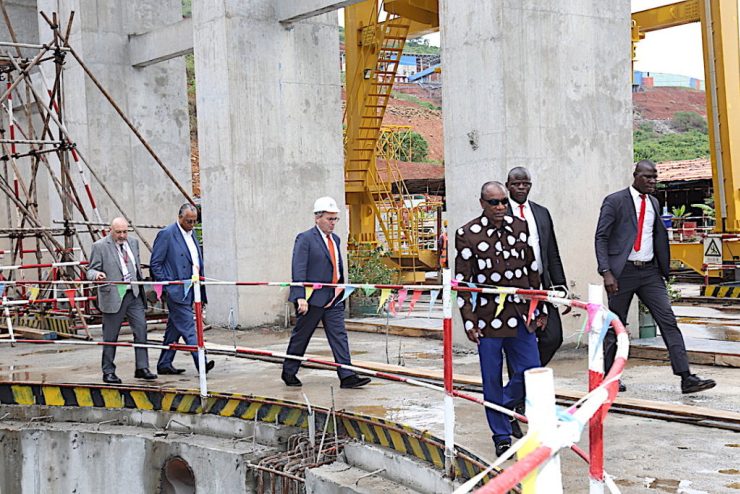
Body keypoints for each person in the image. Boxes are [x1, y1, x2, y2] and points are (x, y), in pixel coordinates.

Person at [595, 160, 715, 394]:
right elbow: (601, 237)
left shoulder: (654, 202)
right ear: (636, 176)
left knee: (668, 321)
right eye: (648, 177)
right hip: (623, 272)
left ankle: (686, 377)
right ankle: (609, 378)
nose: (652, 181)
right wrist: (606, 271)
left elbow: (656, 235)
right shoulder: (615, 201)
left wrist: (663, 268)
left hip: (649, 272)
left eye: (655, 177)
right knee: (615, 325)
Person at [455, 181, 544, 457]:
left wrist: (538, 308)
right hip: (487, 320)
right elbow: (462, 283)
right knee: (491, 378)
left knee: (531, 371)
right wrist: (469, 322)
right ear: (482, 203)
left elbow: (532, 271)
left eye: (503, 201)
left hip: (520, 316)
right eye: (494, 202)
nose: (500, 207)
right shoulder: (467, 234)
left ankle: (502, 407)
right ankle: (501, 435)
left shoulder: (519, 226)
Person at [281, 196, 371, 389]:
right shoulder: (305, 239)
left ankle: (347, 375)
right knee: (302, 336)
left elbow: (337, 267)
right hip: (312, 299)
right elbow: (298, 269)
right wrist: (300, 297)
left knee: (339, 335)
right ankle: (289, 371)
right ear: (317, 218)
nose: (333, 223)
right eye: (330, 219)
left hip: (334, 298)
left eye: (335, 219)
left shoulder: (335, 240)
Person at [506, 166, 567, 366]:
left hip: (542, 284)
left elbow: (552, 252)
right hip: (512, 287)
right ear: (508, 186)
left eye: (525, 184)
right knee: (519, 341)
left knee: (553, 336)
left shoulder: (541, 213)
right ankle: (521, 386)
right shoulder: (499, 213)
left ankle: (528, 376)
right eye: (516, 184)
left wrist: (561, 287)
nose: (521, 188)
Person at [87, 217, 156, 383]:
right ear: (111, 230)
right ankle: (108, 371)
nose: (122, 235)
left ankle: (142, 367)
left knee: (141, 329)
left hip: (134, 294)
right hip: (113, 295)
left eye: (125, 231)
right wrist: (97, 275)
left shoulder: (133, 243)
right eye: (118, 232)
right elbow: (90, 270)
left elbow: (136, 267)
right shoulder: (100, 246)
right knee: (110, 335)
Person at [150, 204, 214, 375]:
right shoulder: (167, 234)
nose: (191, 225)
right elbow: (155, 263)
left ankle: (164, 363)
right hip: (177, 289)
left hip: (193, 288)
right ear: (179, 217)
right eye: (188, 221)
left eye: (194, 221)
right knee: (188, 327)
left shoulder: (192, 234)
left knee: (174, 327)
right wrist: (168, 285)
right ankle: (201, 361)